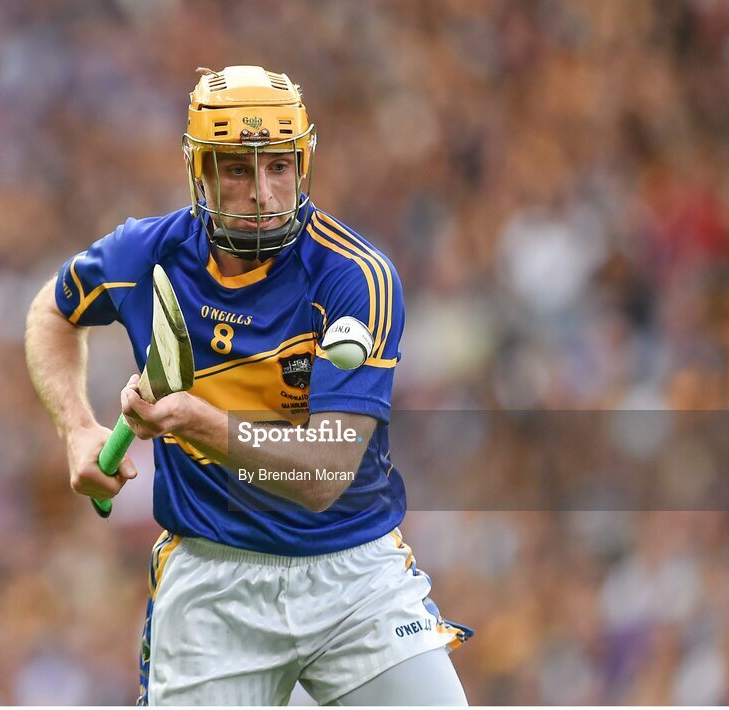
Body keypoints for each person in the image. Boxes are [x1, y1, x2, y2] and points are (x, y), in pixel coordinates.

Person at [24, 65, 472, 705]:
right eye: (237, 169)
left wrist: (189, 418)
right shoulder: (145, 253)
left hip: (353, 573)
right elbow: (53, 310)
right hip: (213, 579)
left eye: (278, 167)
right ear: (199, 172)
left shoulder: (355, 277)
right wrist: (76, 427)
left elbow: (323, 475)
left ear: (303, 163)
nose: (262, 191)